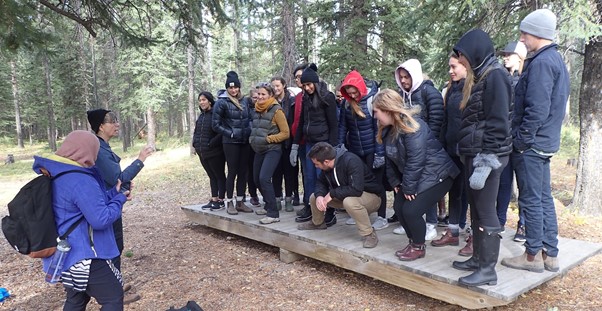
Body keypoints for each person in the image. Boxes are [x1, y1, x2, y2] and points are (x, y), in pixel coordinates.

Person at [501, 9, 569, 274]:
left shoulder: (541, 63)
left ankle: (532, 256)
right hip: (544, 142)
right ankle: (549, 254)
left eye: (524, 34)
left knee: (531, 199)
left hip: (532, 144)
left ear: (537, 34)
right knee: (543, 198)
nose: (522, 39)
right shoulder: (555, 60)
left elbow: (537, 109)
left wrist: (520, 141)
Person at [34, 130, 130, 310]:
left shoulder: (58, 172)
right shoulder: (79, 179)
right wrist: (120, 199)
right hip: (84, 255)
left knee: (77, 299)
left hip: (65, 256)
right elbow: (101, 219)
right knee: (113, 297)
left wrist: (115, 193)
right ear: (87, 151)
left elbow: (85, 205)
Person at [451, 28, 513, 286]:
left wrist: (486, 160)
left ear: (474, 52)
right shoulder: (482, 76)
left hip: (488, 157)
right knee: (476, 210)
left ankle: (488, 270)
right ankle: (478, 258)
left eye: (462, 56)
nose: (461, 61)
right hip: (474, 154)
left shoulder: (496, 76)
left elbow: (499, 122)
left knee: (486, 211)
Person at [373, 89, 458, 261]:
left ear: (387, 110)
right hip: (419, 175)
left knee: (411, 211)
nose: (375, 116)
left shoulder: (412, 126)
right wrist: (396, 182)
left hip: (439, 174)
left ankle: (419, 247)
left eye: (376, 112)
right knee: (399, 207)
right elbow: (390, 160)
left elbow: (416, 160)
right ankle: (413, 242)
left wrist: (409, 187)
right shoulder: (389, 130)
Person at [87, 108, 153, 304]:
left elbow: (115, 182)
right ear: (100, 126)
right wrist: (140, 160)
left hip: (111, 201)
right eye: (112, 122)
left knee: (116, 245)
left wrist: (123, 190)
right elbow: (117, 178)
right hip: (106, 206)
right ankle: (113, 293)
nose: (116, 125)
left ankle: (114, 285)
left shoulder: (103, 146)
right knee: (112, 247)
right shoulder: (99, 149)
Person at [394, 59, 445, 239]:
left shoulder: (429, 93)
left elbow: (437, 122)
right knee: (411, 186)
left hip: (429, 151)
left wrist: (429, 148)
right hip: (409, 149)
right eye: (401, 78)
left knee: (426, 187)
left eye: (407, 77)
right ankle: (409, 222)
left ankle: (431, 224)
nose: (404, 81)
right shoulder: (402, 95)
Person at [297, 142, 383, 248]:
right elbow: (320, 183)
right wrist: (320, 196)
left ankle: (369, 234)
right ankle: (318, 223)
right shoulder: (327, 167)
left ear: (326, 162)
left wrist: (332, 194)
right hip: (345, 194)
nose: (316, 166)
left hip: (371, 197)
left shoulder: (351, 161)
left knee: (350, 202)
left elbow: (356, 189)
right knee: (314, 197)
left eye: (317, 164)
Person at [337, 69, 388, 230]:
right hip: (355, 149)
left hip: (372, 149)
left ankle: (381, 216)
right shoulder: (346, 104)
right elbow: (342, 126)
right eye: (349, 93)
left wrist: (380, 153)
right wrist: (340, 146)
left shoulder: (371, 101)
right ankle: (361, 213)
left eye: (354, 92)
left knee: (377, 184)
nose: (352, 96)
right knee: (358, 183)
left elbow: (377, 129)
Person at [431, 52, 471, 254]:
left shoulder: (473, 89)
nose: (450, 70)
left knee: (474, 195)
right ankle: (453, 232)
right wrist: (441, 146)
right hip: (451, 150)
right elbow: (446, 122)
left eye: (454, 66)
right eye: (450, 66)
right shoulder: (451, 89)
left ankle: (475, 236)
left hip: (469, 151)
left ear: (466, 66)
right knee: (454, 191)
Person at [290, 63, 339, 224]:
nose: (307, 88)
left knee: (323, 178)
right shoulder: (305, 98)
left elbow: (334, 125)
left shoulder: (328, 97)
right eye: (304, 85)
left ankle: (329, 211)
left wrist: (332, 148)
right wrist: (295, 145)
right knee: (309, 177)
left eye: (309, 84)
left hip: (324, 144)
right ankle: (311, 207)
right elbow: (302, 122)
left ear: (315, 83)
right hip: (310, 143)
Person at [212, 71, 254, 215]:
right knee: (233, 171)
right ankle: (229, 201)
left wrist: (249, 130)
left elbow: (251, 117)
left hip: (244, 141)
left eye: (236, 87)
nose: (233, 90)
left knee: (244, 172)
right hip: (230, 142)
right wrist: (230, 133)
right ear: (227, 89)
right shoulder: (221, 102)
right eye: (230, 88)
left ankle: (240, 201)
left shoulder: (245, 101)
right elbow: (215, 125)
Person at [498, 41, 528, 242]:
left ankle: (523, 225)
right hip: (503, 141)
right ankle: (498, 222)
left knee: (524, 186)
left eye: (510, 54)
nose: (505, 57)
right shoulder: (501, 78)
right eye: (504, 54)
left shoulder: (525, 79)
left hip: (521, 142)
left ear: (520, 57)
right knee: (503, 183)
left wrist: (522, 139)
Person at [249, 83, 290, 224]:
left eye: (263, 94)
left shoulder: (277, 111)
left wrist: (268, 139)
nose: (260, 97)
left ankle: (273, 214)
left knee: (264, 178)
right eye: (258, 94)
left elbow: (285, 133)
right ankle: (268, 205)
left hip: (272, 149)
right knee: (256, 179)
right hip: (259, 150)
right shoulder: (256, 109)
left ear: (270, 96)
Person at [192, 91, 226, 211]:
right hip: (203, 152)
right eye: (200, 100)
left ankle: (221, 200)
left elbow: (221, 132)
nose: (201, 102)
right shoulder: (202, 116)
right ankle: (214, 198)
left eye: (204, 100)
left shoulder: (216, 115)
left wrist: (211, 143)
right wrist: (195, 144)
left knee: (219, 175)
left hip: (215, 152)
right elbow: (197, 132)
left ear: (210, 101)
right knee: (211, 176)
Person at [271, 76, 298, 212]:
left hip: (289, 142)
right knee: (276, 172)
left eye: (278, 86)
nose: (276, 88)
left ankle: (289, 199)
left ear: (284, 85)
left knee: (289, 172)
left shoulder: (291, 101)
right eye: (274, 86)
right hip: (275, 143)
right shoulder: (271, 102)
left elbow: (294, 121)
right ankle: (277, 199)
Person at [291, 63, 310, 208]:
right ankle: (306, 203)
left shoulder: (315, 95)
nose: (298, 80)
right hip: (300, 141)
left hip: (312, 141)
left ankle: (312, 203)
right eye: (296, 77)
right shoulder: (297, 97)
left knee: (311, 173)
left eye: (300, 76)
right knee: (305, 172)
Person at [246, 88, 261, 207]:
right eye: (254, 98)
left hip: (261, 143)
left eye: (259, 97)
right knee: (250, 171)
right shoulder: (247, 109)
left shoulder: (263, 108)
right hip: (249, 144)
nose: (257, 100)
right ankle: (253, 195)